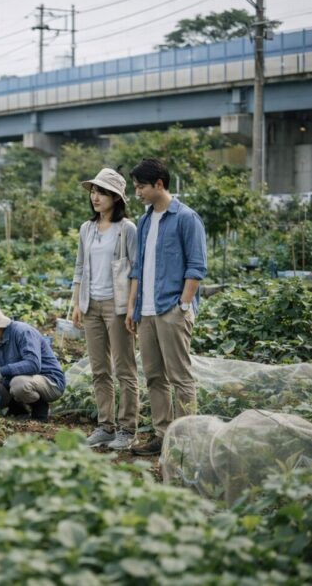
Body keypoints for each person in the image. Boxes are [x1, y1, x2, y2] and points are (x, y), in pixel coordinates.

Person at [126, 157, 207, 456]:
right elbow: (139, 267)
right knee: (154, 377)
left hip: (172, 310)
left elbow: (196, 268)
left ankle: (188, 441)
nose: (138, 193)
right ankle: (163, 436)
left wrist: (183, 306)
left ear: (159, 184)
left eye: (141, 187)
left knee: (180, 377)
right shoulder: (146, 220)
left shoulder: (186, 218)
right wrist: (133, 308)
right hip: (146, 312)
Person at [71, 168, 139, 451]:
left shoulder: (127, 229)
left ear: (116, 197)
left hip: (117, 305)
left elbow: (135, 270)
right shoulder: (86, 229)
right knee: (99, 369)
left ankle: (128, 428)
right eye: (93, 192)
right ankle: (105, 426)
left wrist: (131, 308)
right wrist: (76, 303)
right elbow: (79, 267)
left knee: (124, 368)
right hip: (91, 305)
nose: (95, 197)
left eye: (101, 192)